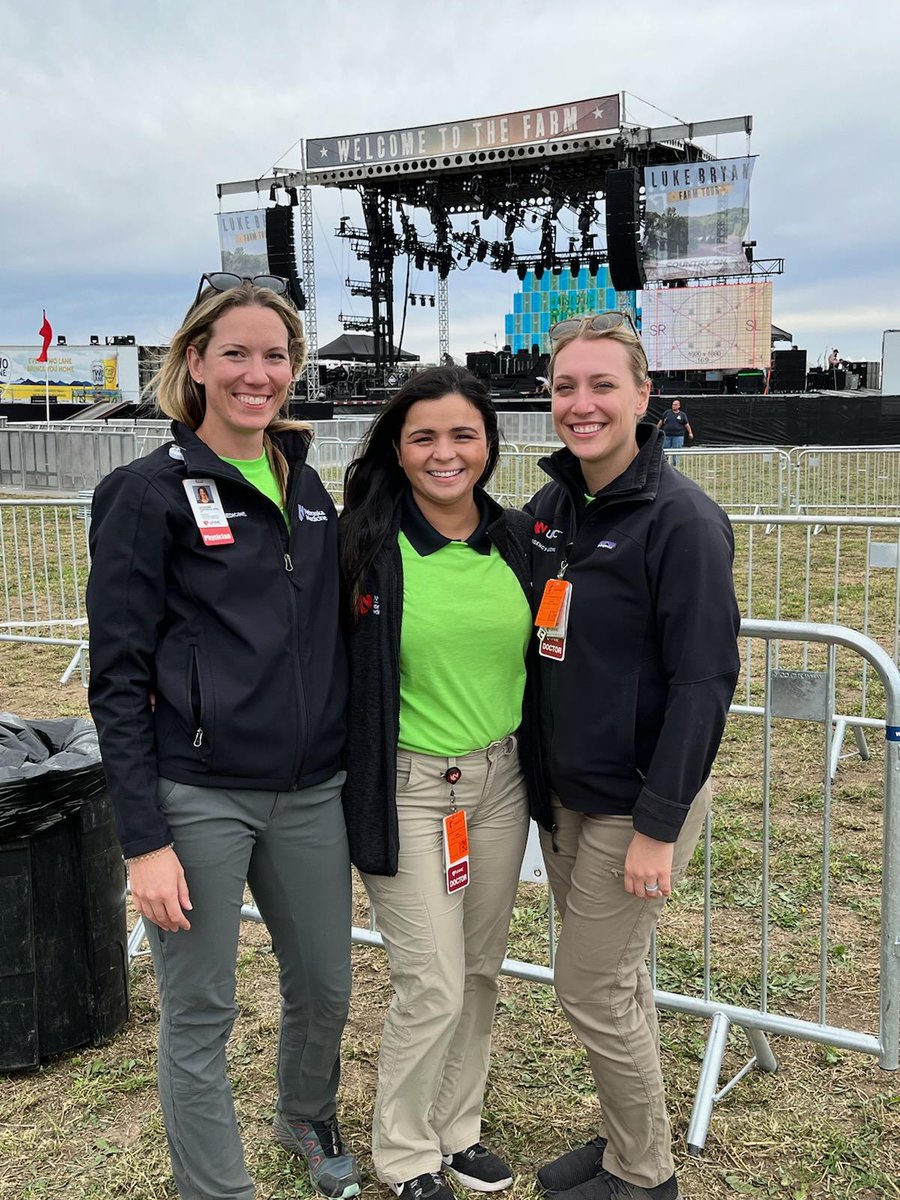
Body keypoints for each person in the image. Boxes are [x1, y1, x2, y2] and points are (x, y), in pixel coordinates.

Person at [86, 274, 359, 1200]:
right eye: (234, 353)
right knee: (200, 1009)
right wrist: (145, 842)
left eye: (275, 355)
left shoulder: (307, 484)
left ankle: (304, 1114)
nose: (258, 373)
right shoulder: (144, 494)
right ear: (194, 363)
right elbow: (117, 680)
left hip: (311, 789)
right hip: (197, 795)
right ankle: (216, 1189)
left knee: (325, 983)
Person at [527, 312, 740, 1200]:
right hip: (566, 792)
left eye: (602, 384)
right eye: (566, 386)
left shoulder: (682, 521)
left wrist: (657, 823)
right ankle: (628, 1138)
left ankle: (645, 1176)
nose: (582, 404)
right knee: (620, 980)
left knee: (588, 984)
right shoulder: (551, 510)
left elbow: (704, 681)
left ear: (643, 396)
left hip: (637, 802)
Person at [339, 366, 546, 1200]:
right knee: (430, 980)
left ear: (489, 443)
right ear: (398, 446)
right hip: (408, 787)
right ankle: (404, 1152)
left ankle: (459, 1131)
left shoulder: (520, 539)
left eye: (463, 434)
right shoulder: (363, 544)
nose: (445, 452)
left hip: (500, 785)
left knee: (480, 969)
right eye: (423, 436)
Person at [655, 399, 693, 466]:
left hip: (678, 436)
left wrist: (690, 433)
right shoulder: (667, 412)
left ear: (679, 406)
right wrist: (656, 429)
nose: (673, 406)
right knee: (665, 450)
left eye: (675, 405)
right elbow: (661, 421)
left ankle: (675, 464)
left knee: (676, 451)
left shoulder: (682, 415)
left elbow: (686, 424)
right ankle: (664, 464)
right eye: (673, 404)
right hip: (667, 435)